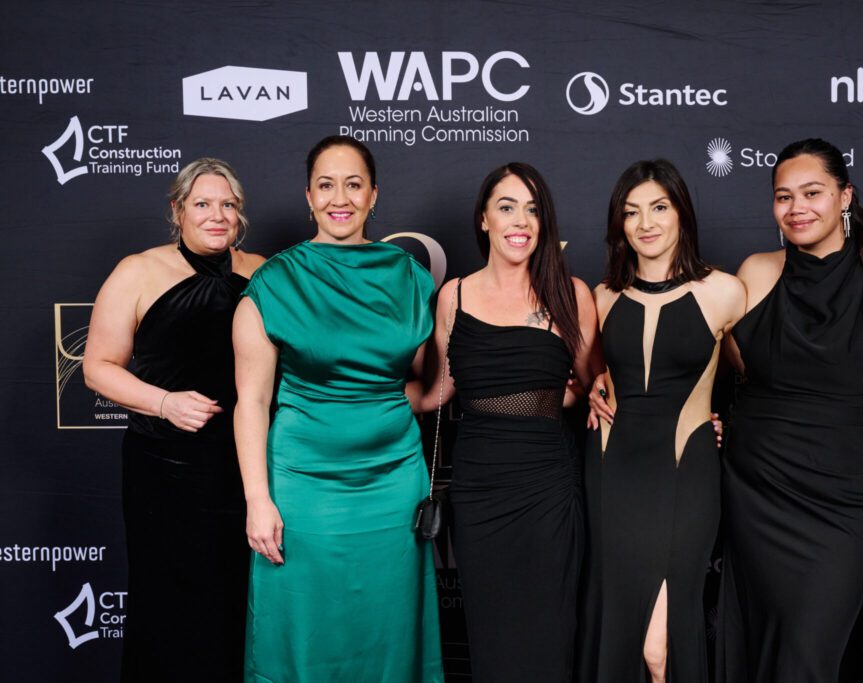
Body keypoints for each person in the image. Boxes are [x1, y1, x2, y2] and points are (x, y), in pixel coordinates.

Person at [716, 138, 863, 682]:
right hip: (756, 494)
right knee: (758, 653)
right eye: (783, 196)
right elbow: (710, 362)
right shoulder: (756, 273)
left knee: (806, 659)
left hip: (847, 503)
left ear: (845, 196)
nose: (797, 208)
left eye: (812, 193)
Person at [232, 135, 443, 682]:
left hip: (394, 484)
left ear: (374, 195)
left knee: (388, 627)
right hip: (303, 483)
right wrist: (258, 499)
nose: (340, 198)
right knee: (305, 622)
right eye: (326, 185)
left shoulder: (411, 278)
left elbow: (425, 384)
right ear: (309, 196)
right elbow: (252, 402)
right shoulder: (274, 282)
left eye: (354, 184)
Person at [411, 162, 598, 682]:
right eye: (507, 207)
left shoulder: (571, 294)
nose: (521, 221)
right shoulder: (454, 295)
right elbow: (439, 389)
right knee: (492, 638)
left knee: (549, 634)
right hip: (479, 490)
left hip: (547, 487)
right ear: (484, 219)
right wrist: (353, 396)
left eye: (533, 210)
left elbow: (594, 387)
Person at [82, 158, 264, 682]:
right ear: (178, 210)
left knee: (239, 603)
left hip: (246, 468)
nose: (216, 215)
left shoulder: (263, 271)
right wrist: (164, 402)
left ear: (239, 214)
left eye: (227, 204)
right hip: (164, 472)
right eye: (202, 204)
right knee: (168, 609)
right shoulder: (138, 271)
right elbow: (96, 367)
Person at [581, 159, 746, 682]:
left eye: (658, 207)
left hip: (685, 474)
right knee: (623, 630)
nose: (645, 223)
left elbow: (762, 378)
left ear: (681, 214)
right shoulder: (601, 297)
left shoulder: (726, 291)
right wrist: (591, 388)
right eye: (631, 212)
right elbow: (590, 379)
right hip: (612, 474)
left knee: (663, 645)